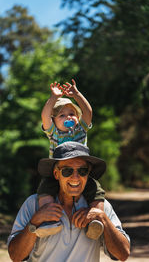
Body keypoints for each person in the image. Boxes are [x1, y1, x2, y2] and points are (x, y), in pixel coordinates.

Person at [8, 142, 130, 262]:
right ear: (56, 174)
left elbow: (123, 254)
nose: (75, 177)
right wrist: (34, 222)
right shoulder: (33, 204)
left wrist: (102, 218)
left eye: (82, 171)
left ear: (88, 173)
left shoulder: (101, 208)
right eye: (67, 171)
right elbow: (15, 256)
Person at [37, 79, 105, 239]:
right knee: (45, 189)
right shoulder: (53, 132)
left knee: (96, 191)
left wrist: (77, 95)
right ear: (54, 120)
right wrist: (53, 97)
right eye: (62, 115)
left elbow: (88, 112)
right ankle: (48, 221)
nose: (68, 117)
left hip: (82, 171)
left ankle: (95, 222)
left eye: (72, 114)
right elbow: (45, 115)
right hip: (58, 171)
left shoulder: (81, 130)